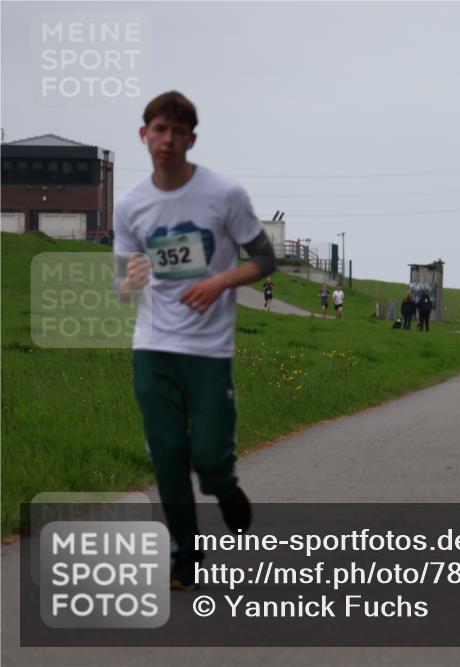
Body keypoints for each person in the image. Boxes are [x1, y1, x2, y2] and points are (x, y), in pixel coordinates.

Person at [114, 91, 276, 590]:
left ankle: (223, 484)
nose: (167, 140)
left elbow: (266, 259)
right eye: (158, 130)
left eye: (177, 132)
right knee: (165, 455)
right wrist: (130, 282)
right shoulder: (131, 205)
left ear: (192, 139)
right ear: (144, 134)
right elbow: (122, 284)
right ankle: (185, 552)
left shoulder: (223, 195)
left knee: (207, 456)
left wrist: (218, 281)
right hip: (154, 347)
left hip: (208, 351)